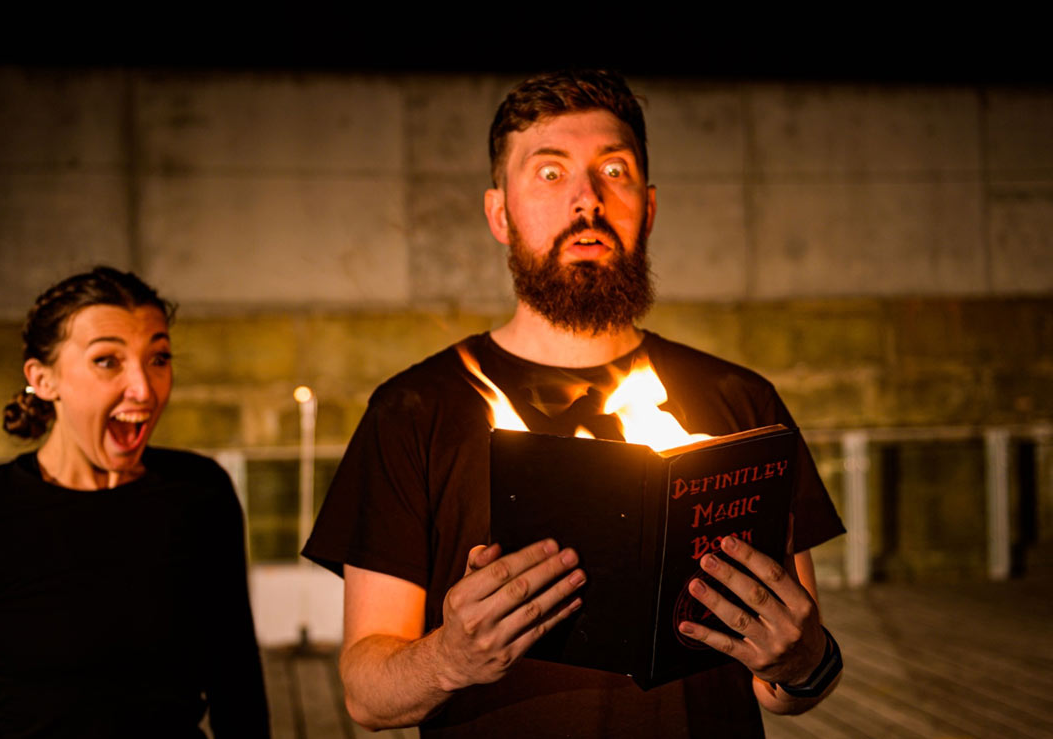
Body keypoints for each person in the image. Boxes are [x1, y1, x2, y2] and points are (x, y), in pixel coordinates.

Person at [303, 70, 845, 738]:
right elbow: (365, 692)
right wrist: (450, 655)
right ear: (500, 213)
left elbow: (787, 686)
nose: (586, 199)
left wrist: (804, 659)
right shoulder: (413, 411)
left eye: (613, 170)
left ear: (647, 206)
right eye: (551, 174)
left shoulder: (744, 401)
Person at [0, 266, 270, 738]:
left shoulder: (200, 493)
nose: (145, 389)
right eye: (108, 360)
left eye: (159, 357)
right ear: (43, 379)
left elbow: (238, 685)